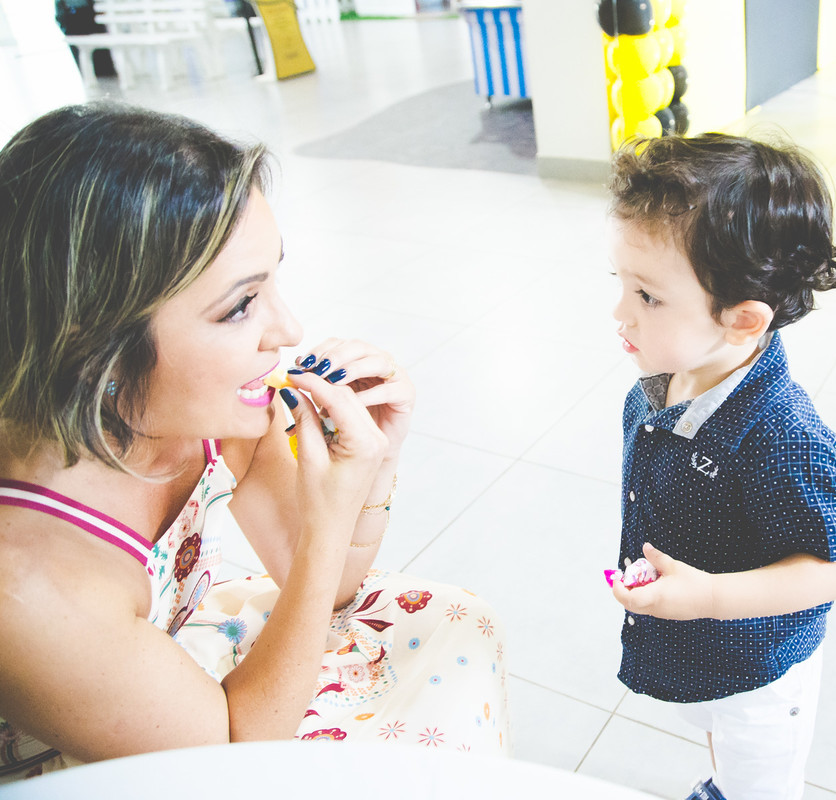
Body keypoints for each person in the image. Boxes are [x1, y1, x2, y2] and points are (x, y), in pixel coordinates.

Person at [0, 103, 509, 783]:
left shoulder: (207, 417)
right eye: (240, 306)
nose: (288, 328)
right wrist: (329, 520)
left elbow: (331, 585)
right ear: (99, 353)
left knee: (460, 622)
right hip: (88, 757)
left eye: (272, 279)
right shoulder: (31, 585)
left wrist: (375, 463)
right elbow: (234, 749)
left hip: (169, 688)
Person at [607, 133, 836, 800]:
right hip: (707, 654)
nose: (619, 314)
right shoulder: (663, 383)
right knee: (726, 745)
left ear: (743, 320)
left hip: (760, 669)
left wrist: (712, 597)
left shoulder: (783, 439)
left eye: (647, 296)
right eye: (622, 285)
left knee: (761, 779)